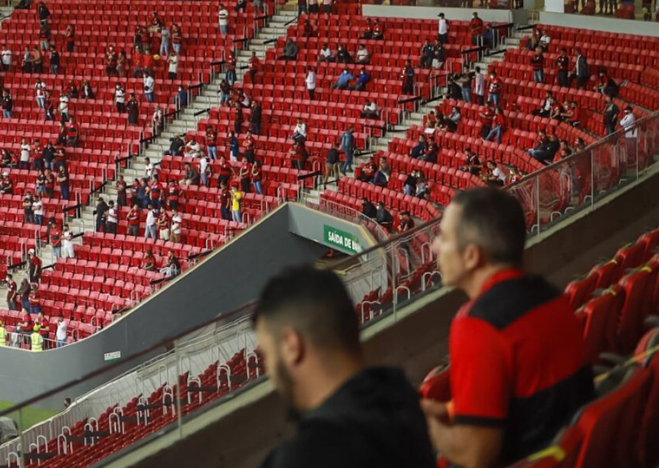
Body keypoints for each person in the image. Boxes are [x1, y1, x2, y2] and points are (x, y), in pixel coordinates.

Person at [423, 188, 594, 468]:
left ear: (471, 256)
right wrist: (444, 411)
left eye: (443, 237)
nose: (434, 247)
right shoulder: (551, 296)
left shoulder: (478, 325)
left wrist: (424, 423)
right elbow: (532, 405)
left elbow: (475, 456)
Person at [254, 266, 436, 468]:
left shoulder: (301, 458)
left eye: (267, 355)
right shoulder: (404, 397)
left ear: (291, 346)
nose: (269, 370)